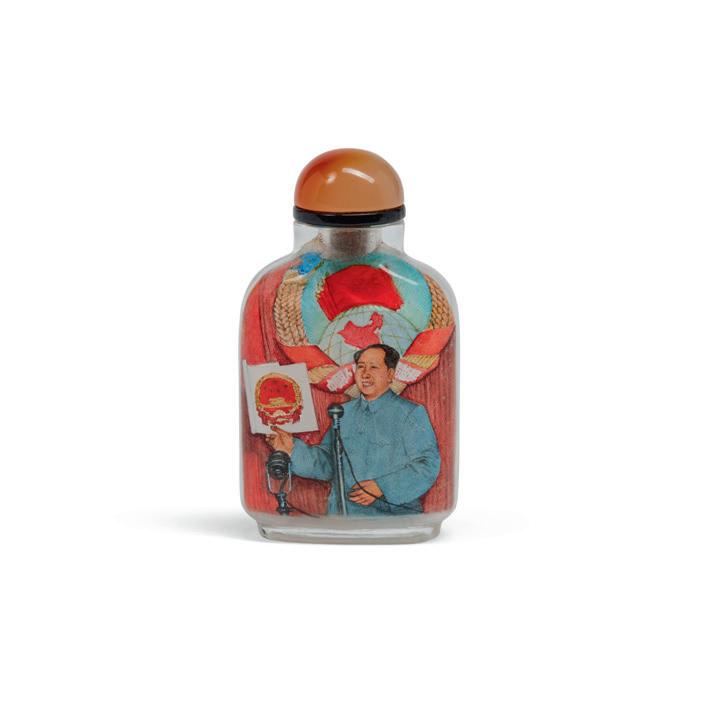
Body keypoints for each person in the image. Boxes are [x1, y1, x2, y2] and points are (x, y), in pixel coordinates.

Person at [266, 344, 440, 516]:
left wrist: (382, 487)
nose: (365, 374)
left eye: (373, 367)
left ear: (390, 374)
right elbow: (328, 463)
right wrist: (292, 449)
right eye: (361, 367)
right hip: (342, 517)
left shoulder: (410, 413)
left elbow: (427, 465)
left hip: (390, 519)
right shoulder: (343, 413)